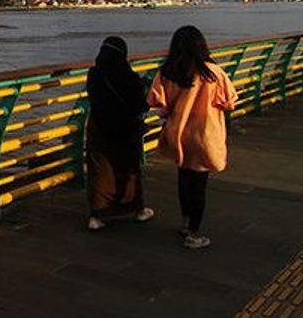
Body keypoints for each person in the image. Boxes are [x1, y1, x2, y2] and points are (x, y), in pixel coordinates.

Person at [147, 25, 239, 250]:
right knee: (199, 183)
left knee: (183, 178)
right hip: (204, 134)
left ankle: (186, 223)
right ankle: (195, 234)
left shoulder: (167, 71)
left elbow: (155, 101)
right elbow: (229, 101)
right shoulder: (213, 72)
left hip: (179, 133)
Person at [84, 36, 154, 231]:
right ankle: (136, 208)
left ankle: (97, 215)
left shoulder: (94, 74)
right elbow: (140, 104)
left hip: (100, 126)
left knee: (100, 169)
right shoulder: (129, 77)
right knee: (129, 166)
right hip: (126, 127)